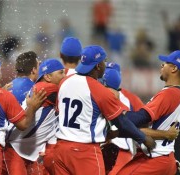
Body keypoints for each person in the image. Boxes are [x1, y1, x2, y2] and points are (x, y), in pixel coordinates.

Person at [54, 45, 155, 175]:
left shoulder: (64, 82)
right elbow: (122, 122)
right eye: (104, 61)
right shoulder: (99, 90)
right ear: (98, 66)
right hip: (84, 151)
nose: (105, 64)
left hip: (61, 148)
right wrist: (143, 138)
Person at [117, 50, 180, 175]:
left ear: (174, 68)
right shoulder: (177, 93)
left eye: (166, 62)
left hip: (155, 158)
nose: (162, 64)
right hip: (163, 157)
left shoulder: (169, 94)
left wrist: (114, 113)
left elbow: (139, 118)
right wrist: (165, 134)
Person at [102, 66, 179, 175]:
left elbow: (141, 125)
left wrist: (166, 155)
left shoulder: (130, 99)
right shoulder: (98, 95)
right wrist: (164, 135)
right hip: (97, 147)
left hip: (121, 150)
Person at [4, 59, 65, 175]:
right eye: (61, 72)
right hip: (15, 147)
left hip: (31, 150)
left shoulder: (46, 88)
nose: (64, 76)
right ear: (47, 77)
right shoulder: (45, 88)